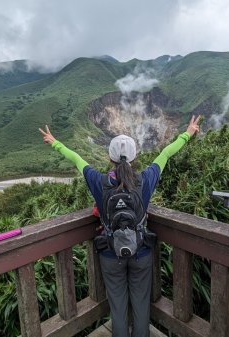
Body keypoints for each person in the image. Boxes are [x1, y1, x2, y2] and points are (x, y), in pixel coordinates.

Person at [38, 115, 201, 337]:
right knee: (141, 305)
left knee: (118, 307)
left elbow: (76, 159)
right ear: (135, 157)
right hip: (141, 251)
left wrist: (54, 142)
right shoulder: (145, 179)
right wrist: (188, 133)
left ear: (109, 157)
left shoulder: (99, 181)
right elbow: (166, 153)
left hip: (110, 253)